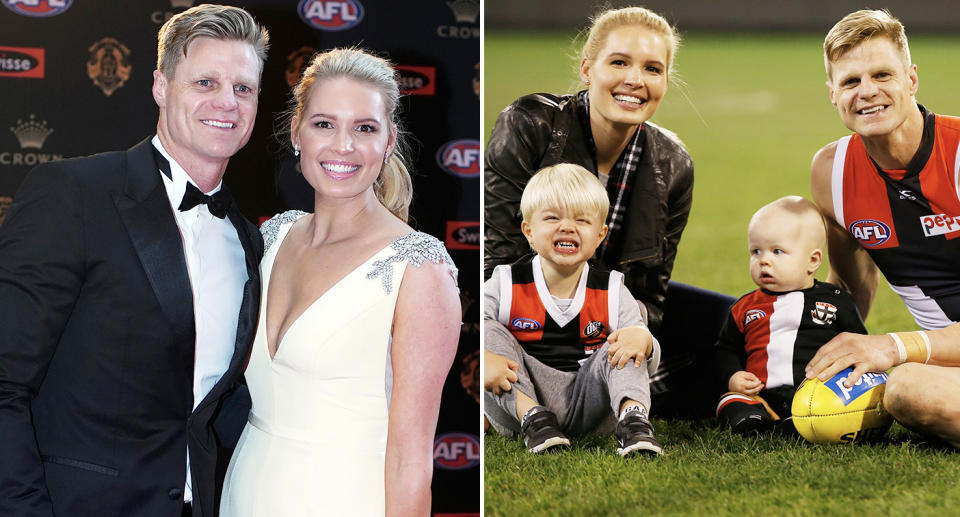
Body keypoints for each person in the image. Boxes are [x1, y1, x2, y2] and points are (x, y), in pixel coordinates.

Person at [0, 5, 268, 517]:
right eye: (205, 82)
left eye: (243, 88)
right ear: (160, 87)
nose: (226, 103)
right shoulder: (75, 195)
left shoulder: (245, 238)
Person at [219, 48, 461, 516]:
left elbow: (411, 463)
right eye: (324, 124)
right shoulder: (272, 237)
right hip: (244, 493)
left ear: (389, 141)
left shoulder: (419, 268)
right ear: (296, 132)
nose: (342, 146)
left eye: (364, 128)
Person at [484, 5, 733, 417]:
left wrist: (629, 338)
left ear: (666, 81)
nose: (635, 80)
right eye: (619, 62)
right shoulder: (530, 125)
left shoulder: (673, 163)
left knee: (736, 321)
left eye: (653, 69)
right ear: (587, 68)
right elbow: (499, 262)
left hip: (612, 311)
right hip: (530, 317)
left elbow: (650, 292)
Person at [806, 9, 960, 447]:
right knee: (909, 390)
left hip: (932, 354)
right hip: (946, 364)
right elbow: (851, 288)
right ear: (832, 95)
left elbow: (897, 352)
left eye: (882, 75)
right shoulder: (832, 172)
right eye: (851, 82)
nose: (867, 92)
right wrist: (812, 364)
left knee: (906, 381)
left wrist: (892, 346)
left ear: (911, 80)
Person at [484, 163, 662, 456]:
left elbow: (646, 357)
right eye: (552, 218)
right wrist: (484, 360)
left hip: (590, 407)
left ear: (600, 235)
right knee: (487, 331)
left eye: (582, 220)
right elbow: (462, 330)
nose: (567, 227)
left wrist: (643, 341)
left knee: (629, 337)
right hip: (522, 403)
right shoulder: (505, 282)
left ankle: (633, 422)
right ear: (528, 231)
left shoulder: (612, 289)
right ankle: (536, 420)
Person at [715, 196, 867, 434]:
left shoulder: (836, 301)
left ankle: (799, 423)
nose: (764, 260)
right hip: (760, 395)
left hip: (816, 397)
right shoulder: (744, 308)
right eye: (756, 251)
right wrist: (735, 376)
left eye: (777, 251)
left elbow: (858, 346)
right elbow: (726, 349)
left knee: (824, 413)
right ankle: (756, 420)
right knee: (731, 402)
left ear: (812, 260)